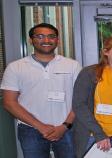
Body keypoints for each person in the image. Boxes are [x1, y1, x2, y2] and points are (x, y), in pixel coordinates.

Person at [1, 23, 81, 158]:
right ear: (31, 40)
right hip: (30, 130)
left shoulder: (72, 65)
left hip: (67, 129)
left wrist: (64, 126)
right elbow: (9, 102)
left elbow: (80, 99)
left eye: (51, 37)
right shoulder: (16, 67)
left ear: (57, 40)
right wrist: (40, 126)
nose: (46, 40)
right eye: (40, 36)